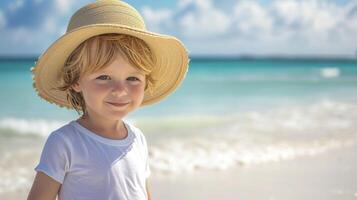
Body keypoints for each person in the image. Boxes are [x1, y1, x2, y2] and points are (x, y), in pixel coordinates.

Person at [27, 0, 189, 199]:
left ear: (146, 82)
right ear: (76, 81)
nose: (120, 90)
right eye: (104, 77)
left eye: (133, 78)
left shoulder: (137, 139)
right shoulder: (65, 142)